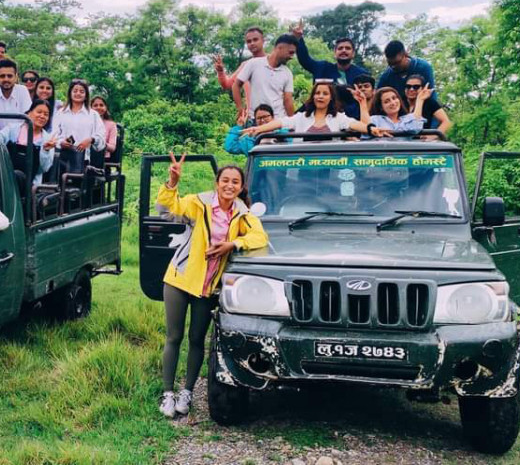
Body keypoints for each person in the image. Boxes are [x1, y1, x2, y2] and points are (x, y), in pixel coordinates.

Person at [157, 155, 268, 418]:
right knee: (174, 337)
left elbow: (259, 236)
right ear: (217, 183)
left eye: (235, 182)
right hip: (180, 278)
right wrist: (172, 182)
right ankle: (167, 393)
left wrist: (232, 244)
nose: (230, 186)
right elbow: (168, 206)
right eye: (225, 181)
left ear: (241, 187)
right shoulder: (199, 203)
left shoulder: (243, 214)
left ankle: (187, 392)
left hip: (207, 287)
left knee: (197, 340)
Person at [242, 81, 390, 138]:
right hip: (303, 170)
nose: (320, 96)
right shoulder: (302, 118)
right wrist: (258, 129)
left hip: (331, 169)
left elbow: (355, 125)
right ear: (313, 97)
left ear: (331, 97)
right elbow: (281, 122)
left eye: (325, 93)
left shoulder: (338, 118)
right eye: (317, 93)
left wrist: (372, 129)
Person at [291, 20, 370, 121]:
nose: (344, 50)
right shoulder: (322, 68)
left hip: (352, 121)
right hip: (320, 117)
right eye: (340, 48)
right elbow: (305, 60)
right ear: (335, 53)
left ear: (353, 53)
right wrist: (298, 38)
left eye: (347, 48)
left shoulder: (362, 74)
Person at [233, 34, 298, 125]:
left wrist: (293, 123)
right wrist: (240, 108)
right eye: (291, 52)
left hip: (278, 122)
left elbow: (288, 100)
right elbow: (236, 85)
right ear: (280, 48)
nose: (291, 57)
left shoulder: (287, 73)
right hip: (256, 121)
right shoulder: (254, 64)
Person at [0, 99, 57, 185]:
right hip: (6, 176)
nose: (42, 116)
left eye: (46, 114)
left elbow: (44, 168)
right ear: (29, 113)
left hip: (29, 184)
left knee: (18, 176)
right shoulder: (12, 129)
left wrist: (45, 150)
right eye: (39, 112)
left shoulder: (47, 139)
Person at [53, 79, 106, 174]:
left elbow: (101, 138)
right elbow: (53, 134)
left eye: (82, 91)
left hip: (84, 160)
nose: (78, 93)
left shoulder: (93, 115)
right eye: (75, 91)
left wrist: (91, 140)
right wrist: (61, 142)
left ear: (86, 95)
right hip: (62, 159)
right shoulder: (61, 113)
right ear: (70, 93)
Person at [213, 27, 267, 114]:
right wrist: (220, 71)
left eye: (255, 39)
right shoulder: (245, 65)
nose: (252, 43)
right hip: (252, 117)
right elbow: (227, 85)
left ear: (263, 40)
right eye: (249, 41)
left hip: (274, 116)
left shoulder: (273, 61)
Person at [0, 59, 33, 131]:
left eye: (9, 76)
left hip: (19, 137)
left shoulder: (22, 90)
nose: (6, 79)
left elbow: (29, 116)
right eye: (2, 76)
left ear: (16, 77)